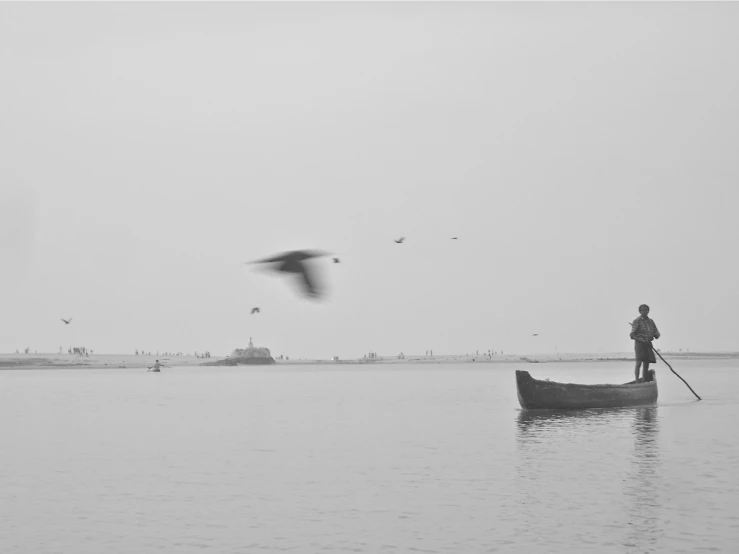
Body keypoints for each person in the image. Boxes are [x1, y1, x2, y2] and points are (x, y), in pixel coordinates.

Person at [630, 304, 660, 382]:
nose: (644, 311)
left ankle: (645, 380)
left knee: (646, 364)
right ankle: (637, 381)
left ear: (648, 311)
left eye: (646, 310)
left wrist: (656, 335)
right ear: (640, 311)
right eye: (643, 310)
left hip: (648, 344)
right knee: (638, 363)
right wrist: (641, 340)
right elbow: (632, 335)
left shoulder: (651, 321)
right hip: (639, 345)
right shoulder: (637, 321)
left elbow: (655, 331)